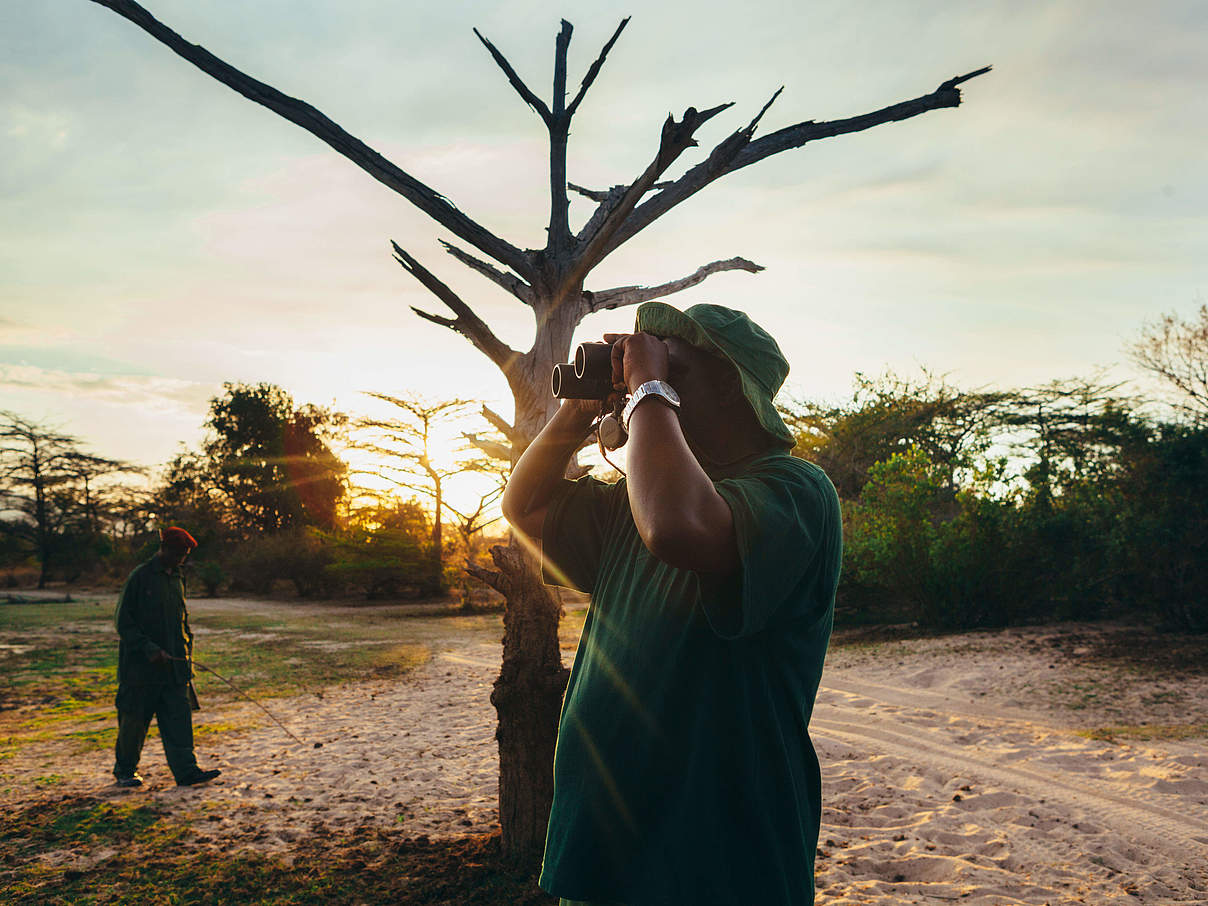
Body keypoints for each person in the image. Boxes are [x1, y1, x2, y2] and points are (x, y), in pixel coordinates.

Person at [503, 301, 843, 906]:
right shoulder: (634, 500)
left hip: (717, 847)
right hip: (604, 843)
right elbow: (524, 508)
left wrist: (646, 387)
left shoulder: (795, 491)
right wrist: (577, 412)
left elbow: (679, 527)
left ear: (730, 387)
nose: (640, 380)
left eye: (670, 367)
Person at [112, 526, 221, 788]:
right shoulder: (140, 577)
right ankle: (125, 771)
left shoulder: (178, 578)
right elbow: (123, 622)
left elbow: (182, 622)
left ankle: (187, 772)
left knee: (179, 720)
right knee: (134, 723)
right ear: (164, 549)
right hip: (141, 670)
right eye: (177, 553)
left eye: (184, 555)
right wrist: (148, 649)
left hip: (175, 668)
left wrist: (186, 654)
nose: (181, 559)